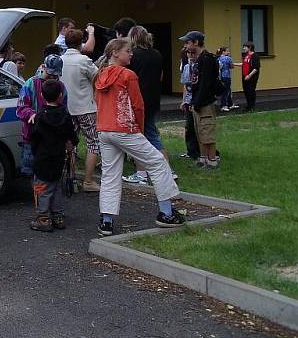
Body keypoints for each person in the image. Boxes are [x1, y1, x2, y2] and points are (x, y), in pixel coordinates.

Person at [94, 39, 184, 236]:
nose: (131, 54)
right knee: (158, 162)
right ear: (115, 53)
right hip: (125, 128)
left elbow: (97, 102)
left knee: (110, 175)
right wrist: (140, 129)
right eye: (128, 51)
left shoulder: (100, 75)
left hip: (104, 129)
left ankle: (106, 221)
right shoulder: (128, 75)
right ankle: (166, 213)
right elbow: (138, 105)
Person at [122, 26, 176, 185]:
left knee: (141, 137)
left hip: (138, 100)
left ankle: (142, 173)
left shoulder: (134, 56)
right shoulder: (156, 54)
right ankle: (167, 171)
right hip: (153, 99)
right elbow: (160, 76)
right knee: (151, 134)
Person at [28, 80, 79, 232]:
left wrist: (35, 153)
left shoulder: (39, 117)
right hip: (58, 157)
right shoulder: (65, 116)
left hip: (42, 158)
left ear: (42, 95)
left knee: (41, 188)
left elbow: (34, 139)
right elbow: (72, 136)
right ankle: (58, 216)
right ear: (61, 95)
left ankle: (43, 217)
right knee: (56, 186)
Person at [60, 29, 101, 192]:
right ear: (81, 43)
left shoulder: (60, 60)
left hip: (66, 108)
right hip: (85, 107)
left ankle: (71, 179)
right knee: (93, 142)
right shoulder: (84, 60)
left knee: (70, 144)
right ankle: (89, 181)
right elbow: (98, 79)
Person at [181, 31, 219, 169]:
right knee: (199, 131)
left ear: (196, 42)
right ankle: (203, 158)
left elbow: (205, 84)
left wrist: (197, 102)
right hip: (197, 102)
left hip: (205, 102)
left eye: (187, 42)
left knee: (207, 132)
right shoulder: (198, 59)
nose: (185, 46)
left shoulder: (207, 59)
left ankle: (212, 160)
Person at [178, 48, 201, 161]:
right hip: (188, 99)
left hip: (197, 100)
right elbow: (185, 85)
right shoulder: (186, 67)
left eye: (193, 53)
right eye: (189, 53)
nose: (191, 55)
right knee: (189, 126)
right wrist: (184, 100)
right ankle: (191, 150)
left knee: (198, 126)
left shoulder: (199, 66)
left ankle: (201, 150)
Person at [235, 41, 261, 112]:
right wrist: (234, 64)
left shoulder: (255, 56)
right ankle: (248, 106)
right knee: (246, 91)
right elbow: (243, 64)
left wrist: (249, 75)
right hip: (245, 76)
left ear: (249, 47)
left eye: (245, 47)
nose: (243, 48)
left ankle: (252, 106)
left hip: (251, 77)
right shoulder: (246, 56)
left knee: (251, 91)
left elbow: (256, 68)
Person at [217, 46, 234, 111]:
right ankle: (224, 105)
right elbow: (231, 66)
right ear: (223, 52)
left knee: (226, 90)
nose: (229, 52)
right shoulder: (228, 58)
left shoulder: (218, 58)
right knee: (226, 91)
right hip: (227, 76)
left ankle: (230, 104)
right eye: (227, 51)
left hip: (220, 76)